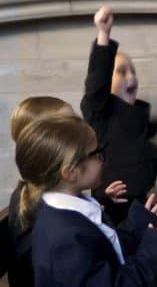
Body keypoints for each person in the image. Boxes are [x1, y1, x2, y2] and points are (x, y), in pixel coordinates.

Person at [16, 115, 157, 287]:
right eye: (96, 153)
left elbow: (107, 251)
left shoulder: (70, 210)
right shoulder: (66, 239)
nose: (103, 158)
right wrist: (156, 252)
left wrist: (137, 226)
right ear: (71, 172)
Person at [6, 96, 127, 287]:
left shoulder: (44, 194)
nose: (78, 127)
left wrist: (103, 201)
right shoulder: (36, 212)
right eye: (67, 124)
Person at [81, 6, 157, 224]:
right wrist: (104, 35)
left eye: (133, 71)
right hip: (113, 209)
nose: (132, 77)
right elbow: (97, 80)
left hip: (144, 208)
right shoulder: (100, 111)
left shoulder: (141, 116)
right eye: (122, 72)